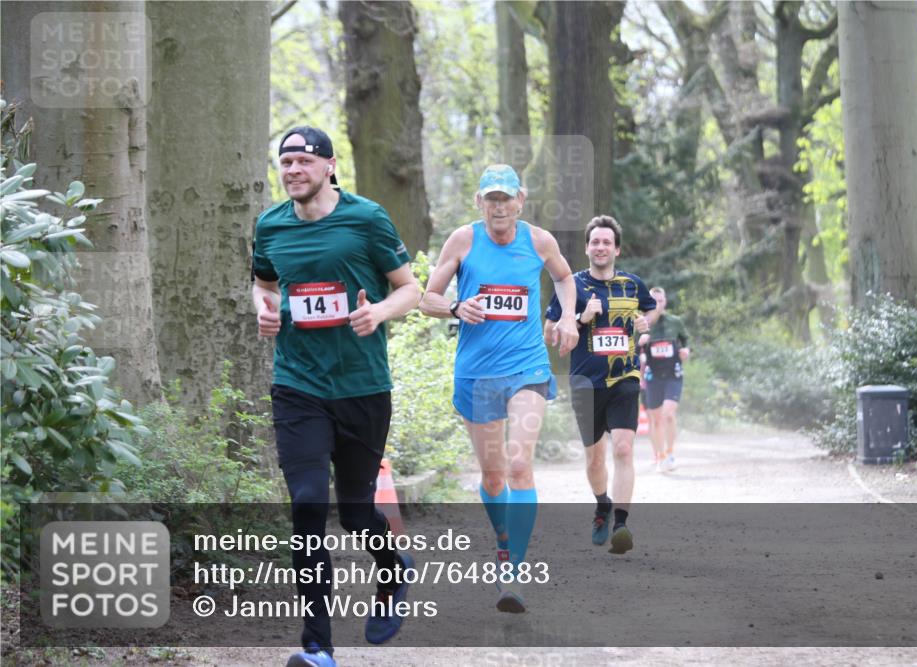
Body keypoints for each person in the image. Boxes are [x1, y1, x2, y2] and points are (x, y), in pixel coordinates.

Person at [252, 126, 421, 667]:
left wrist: (378, 312)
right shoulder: (270, 225)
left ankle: (393, 571)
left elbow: (410, 288)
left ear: (328, 166)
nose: (293, 170)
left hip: (362, 388)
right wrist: (263, 305)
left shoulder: (366, 218)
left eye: (303, 160)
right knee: (306, 503)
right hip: (297, 386)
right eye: (285, 162)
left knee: (353, 512)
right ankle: (318, 646)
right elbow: (263, 282)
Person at [420, 164, 578, 613]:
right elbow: (426, 298)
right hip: (477, 373)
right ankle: (504, 539)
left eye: (506, 198)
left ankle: (514, 571)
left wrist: (566, 315)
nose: (500, 207)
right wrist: (455, 305)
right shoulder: (463, 240)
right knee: (492, 476)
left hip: (527, 367)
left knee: (518, 463)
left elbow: (565, 277)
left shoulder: (540, 240)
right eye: (492, 199)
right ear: (480, 203)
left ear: (520, 200)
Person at [544, 215, 657, 555]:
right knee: (595, 460)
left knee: (623, 448)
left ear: (617, 249)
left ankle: (621, 524)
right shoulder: (571, 286)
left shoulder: (633, 285)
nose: (601, 247)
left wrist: (644, 322)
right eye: (595, 241)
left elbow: (650, 314)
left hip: (624, 375)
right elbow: (549, 333)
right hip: (585, 381)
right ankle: (602, 505)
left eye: (607, 242)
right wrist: (580, 319)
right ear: (587, 247)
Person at [639, 287, 690, 472]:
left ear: (665, 302)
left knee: (668, 414)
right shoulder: (642, 323)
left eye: (661, 301)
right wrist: (640, 342)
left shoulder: (675, 322)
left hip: (673, 374)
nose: (658, 304)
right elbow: (632, 348)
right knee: (656, 419)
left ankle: (670, 454)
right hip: (652, 376)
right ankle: (660, 456)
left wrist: (686, 350)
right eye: (654, 301)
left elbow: (685, 340)